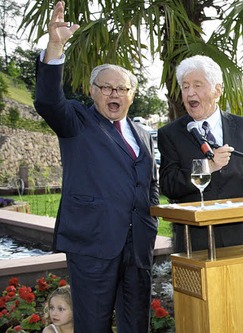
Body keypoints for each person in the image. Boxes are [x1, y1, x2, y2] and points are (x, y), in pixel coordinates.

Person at [34, 2, 160, 332]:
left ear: (132, 95)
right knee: (93, 325)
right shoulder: (76, 120)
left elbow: (150, 186)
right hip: (92, 246)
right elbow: (47, 101)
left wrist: (151, 221)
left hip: (138, 249)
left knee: (137, 325)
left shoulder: (143, 134)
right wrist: (56, 47)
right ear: (93, 91)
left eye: (122, 88)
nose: (114, 93)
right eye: (106, 87)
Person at [158, 55, 243, 252]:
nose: (190, 93)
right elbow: (168, 184)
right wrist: (208, 167)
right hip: (196, 240)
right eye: (185, 86)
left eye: (197, 85)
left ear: (217, 90)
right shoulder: (170, 134)